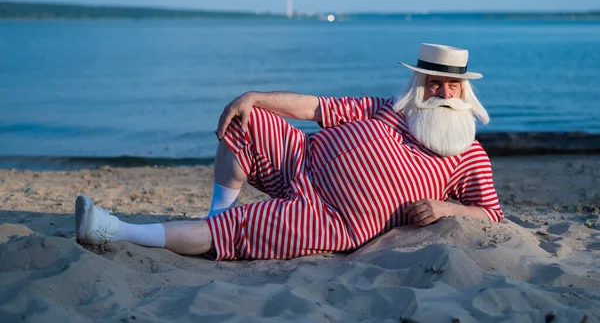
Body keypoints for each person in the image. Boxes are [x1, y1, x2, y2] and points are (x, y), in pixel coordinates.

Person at [75, 43, 504, 260]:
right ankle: (213, 215)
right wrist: (254, 96)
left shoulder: (469, 154)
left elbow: (491, 213)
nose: (443, 93)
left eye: (452, 86)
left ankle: (118, 231)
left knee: (239, 228)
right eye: (434, 83)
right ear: (420, 86)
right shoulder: (387, 109)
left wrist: (448, 209)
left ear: (464, 92)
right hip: (299, 158)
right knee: (247, 119)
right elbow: (315, 106)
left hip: (333, 218)